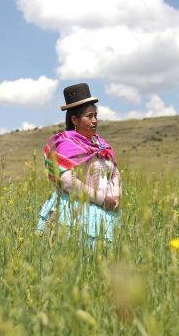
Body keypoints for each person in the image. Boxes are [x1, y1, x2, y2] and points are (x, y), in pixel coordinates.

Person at [37, 83, 121, 246]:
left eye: (96, 115)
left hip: (105, 213)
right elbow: (67, 181)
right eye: (89, 116)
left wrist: (116, 194)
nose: (94, 121)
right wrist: (102, 199)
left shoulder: (101, 145)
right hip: (74, 213)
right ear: (75, 119)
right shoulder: (65, 144)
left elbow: (115, 172)